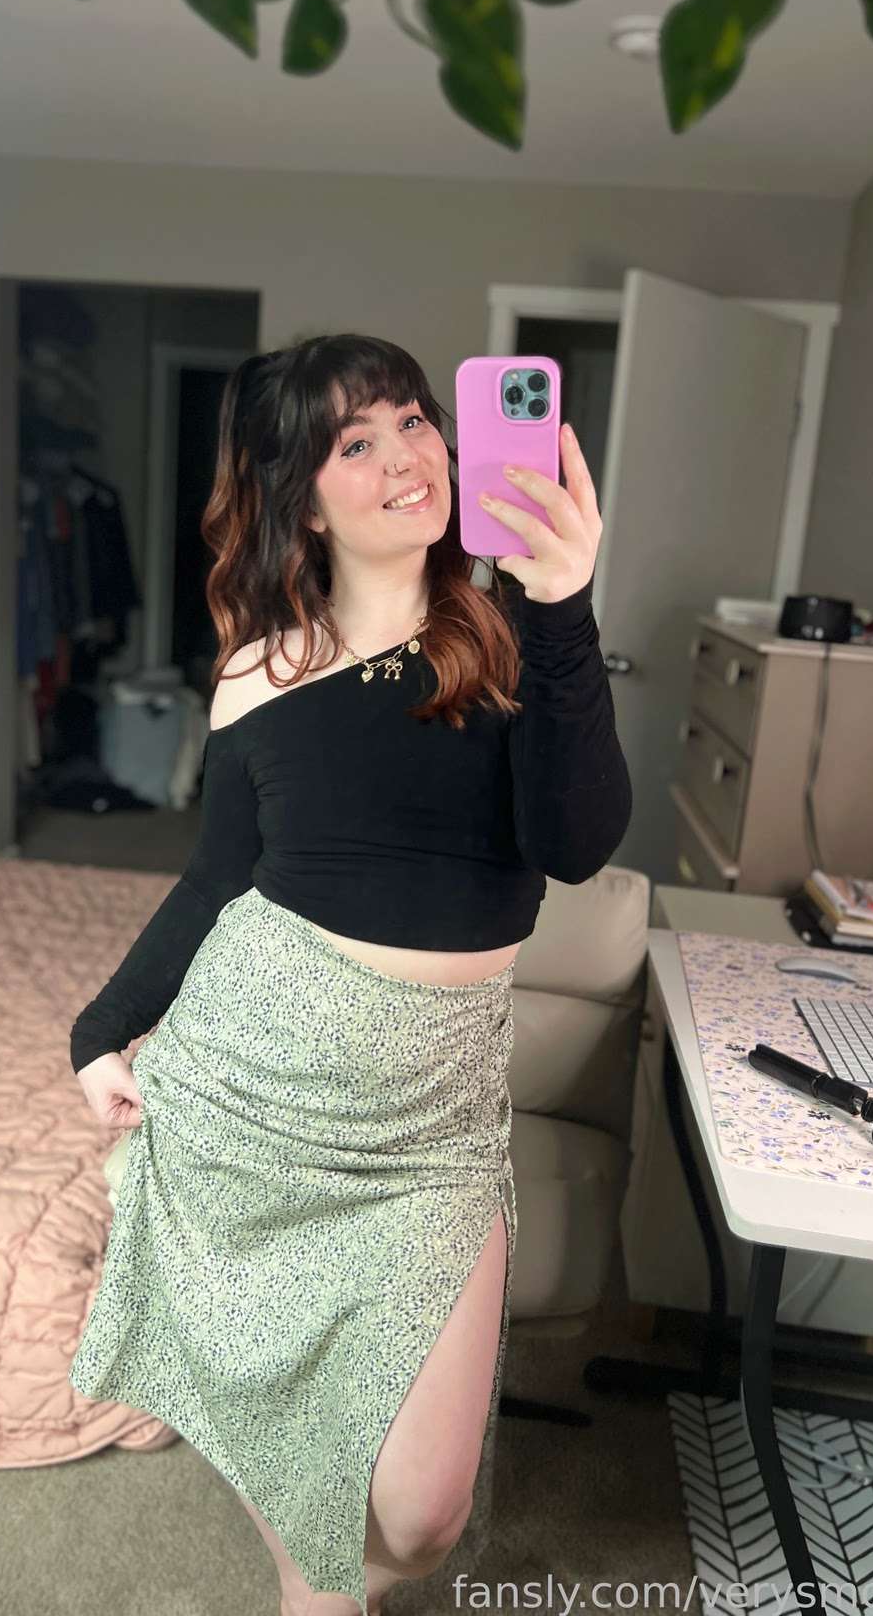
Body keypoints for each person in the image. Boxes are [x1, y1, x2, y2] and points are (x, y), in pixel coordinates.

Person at [67, 334, 633, 1616]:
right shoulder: (258, 671)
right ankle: (312, 1588)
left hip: (431, 1129)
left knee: (424, 1516)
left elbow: (577, 840)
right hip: (255, 1096)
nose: (406, 457)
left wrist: (565, 603)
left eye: (416, 421)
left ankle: (315, 1580)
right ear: (304, 499)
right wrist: (102, 1028)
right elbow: (215, 882)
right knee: (323, 1545)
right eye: (355, 441)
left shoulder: (513, 638)